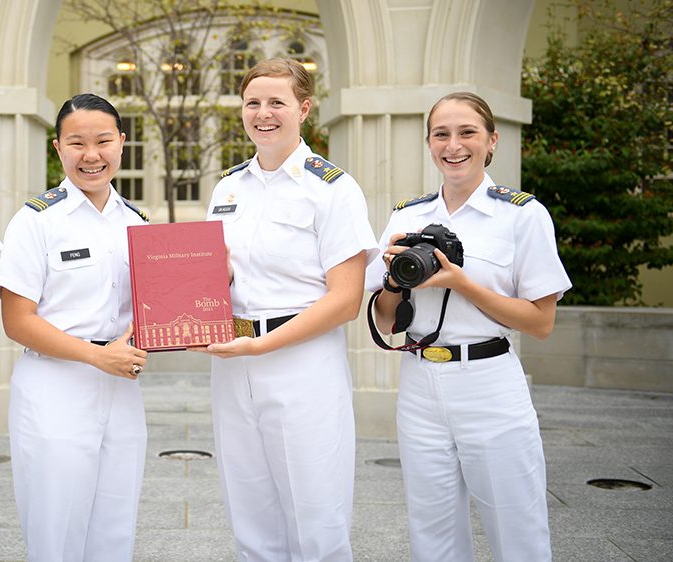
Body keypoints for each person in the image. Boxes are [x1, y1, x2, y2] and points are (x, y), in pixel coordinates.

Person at [366, 91, 571, 562]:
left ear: (491, 141)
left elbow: (540, 323)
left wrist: (462, 283)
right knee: (431, 529)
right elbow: (383, 320)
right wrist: (395, 280)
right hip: (419, 383)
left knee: (515, 523)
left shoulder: (521, 214)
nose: (453, 145)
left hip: (489, 382)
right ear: (429, 142)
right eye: (441, 134)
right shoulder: (407, 215)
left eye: (467, 133)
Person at [200, 58, 378, 561]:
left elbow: (345, 300)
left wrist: (262, 345)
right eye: (252, 102)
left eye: (276, 102)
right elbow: (225, 277)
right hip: (234, 362)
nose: (263, 113)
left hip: (302, 362)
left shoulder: (333, 189)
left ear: (304, 108)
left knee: (316, 516)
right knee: (251, 514)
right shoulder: (227, 187)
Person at [0, 93, 149, 562]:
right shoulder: (35, 222)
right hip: (55, 385)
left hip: (122, 386)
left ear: (122, 144)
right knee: (56, 529)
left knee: (115, 527)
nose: (91, 155)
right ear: (57, 147)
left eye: (103, 141)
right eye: (77, 142)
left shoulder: (136, 223)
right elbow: (17, 321)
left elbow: (152, 308)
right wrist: (97, 356)